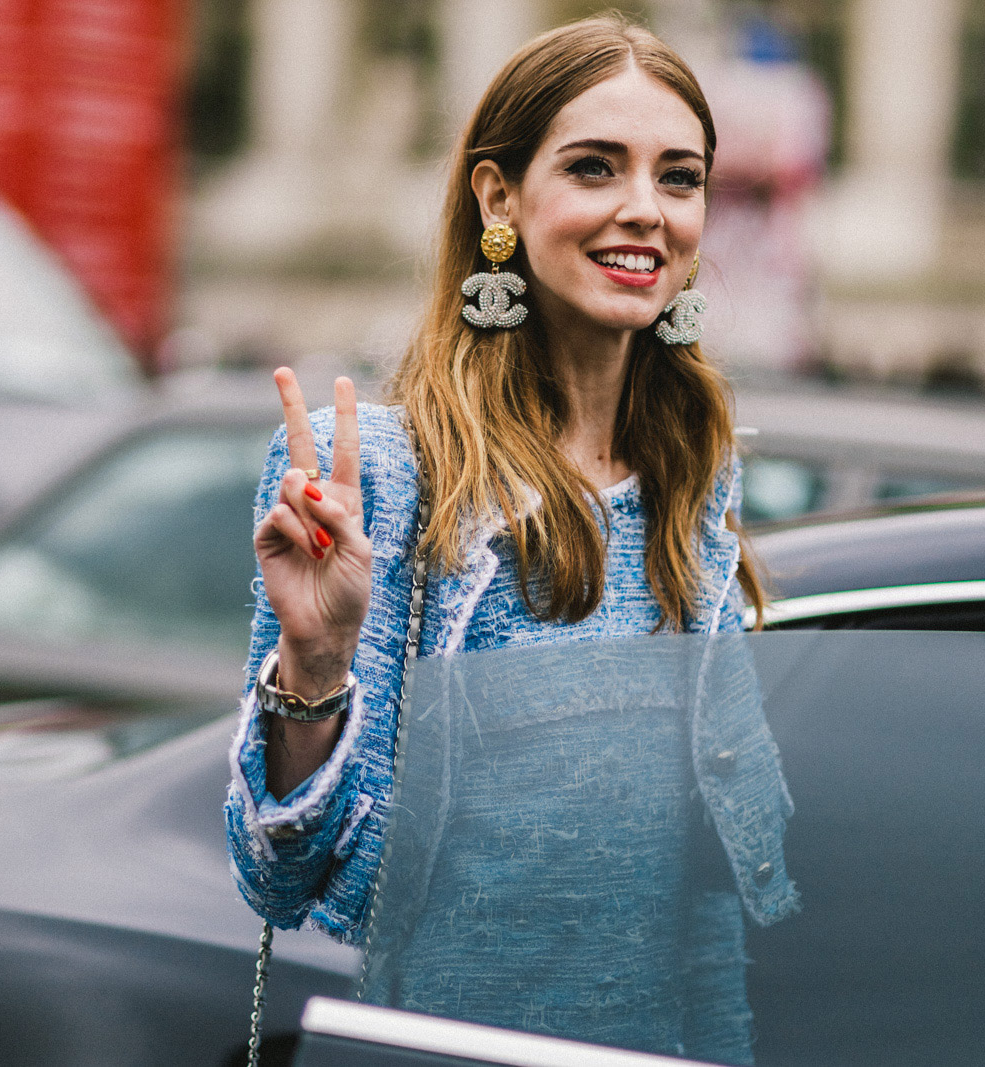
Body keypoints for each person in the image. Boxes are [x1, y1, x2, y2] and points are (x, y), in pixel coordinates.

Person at [226, 14, 797, 1063]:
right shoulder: (392, 478)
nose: (645, 210)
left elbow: (709, 910)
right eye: (594, 167)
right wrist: (314, 661)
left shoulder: (693, 480)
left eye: (680, 178)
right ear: (499, 197)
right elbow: (286, 879)